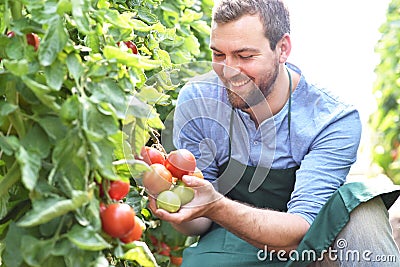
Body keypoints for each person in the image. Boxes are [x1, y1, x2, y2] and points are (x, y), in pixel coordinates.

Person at [148, 0, 400, 265]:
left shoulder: (331, 119)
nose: (228, 71)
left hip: (307, 246)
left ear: (283, 49)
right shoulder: (197, 101)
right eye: (218, 55)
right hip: (227, 239)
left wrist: (216, 205)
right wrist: (173, 199)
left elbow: (301, 229)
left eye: (245, 56)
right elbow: (199, 221)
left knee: (362, 205)